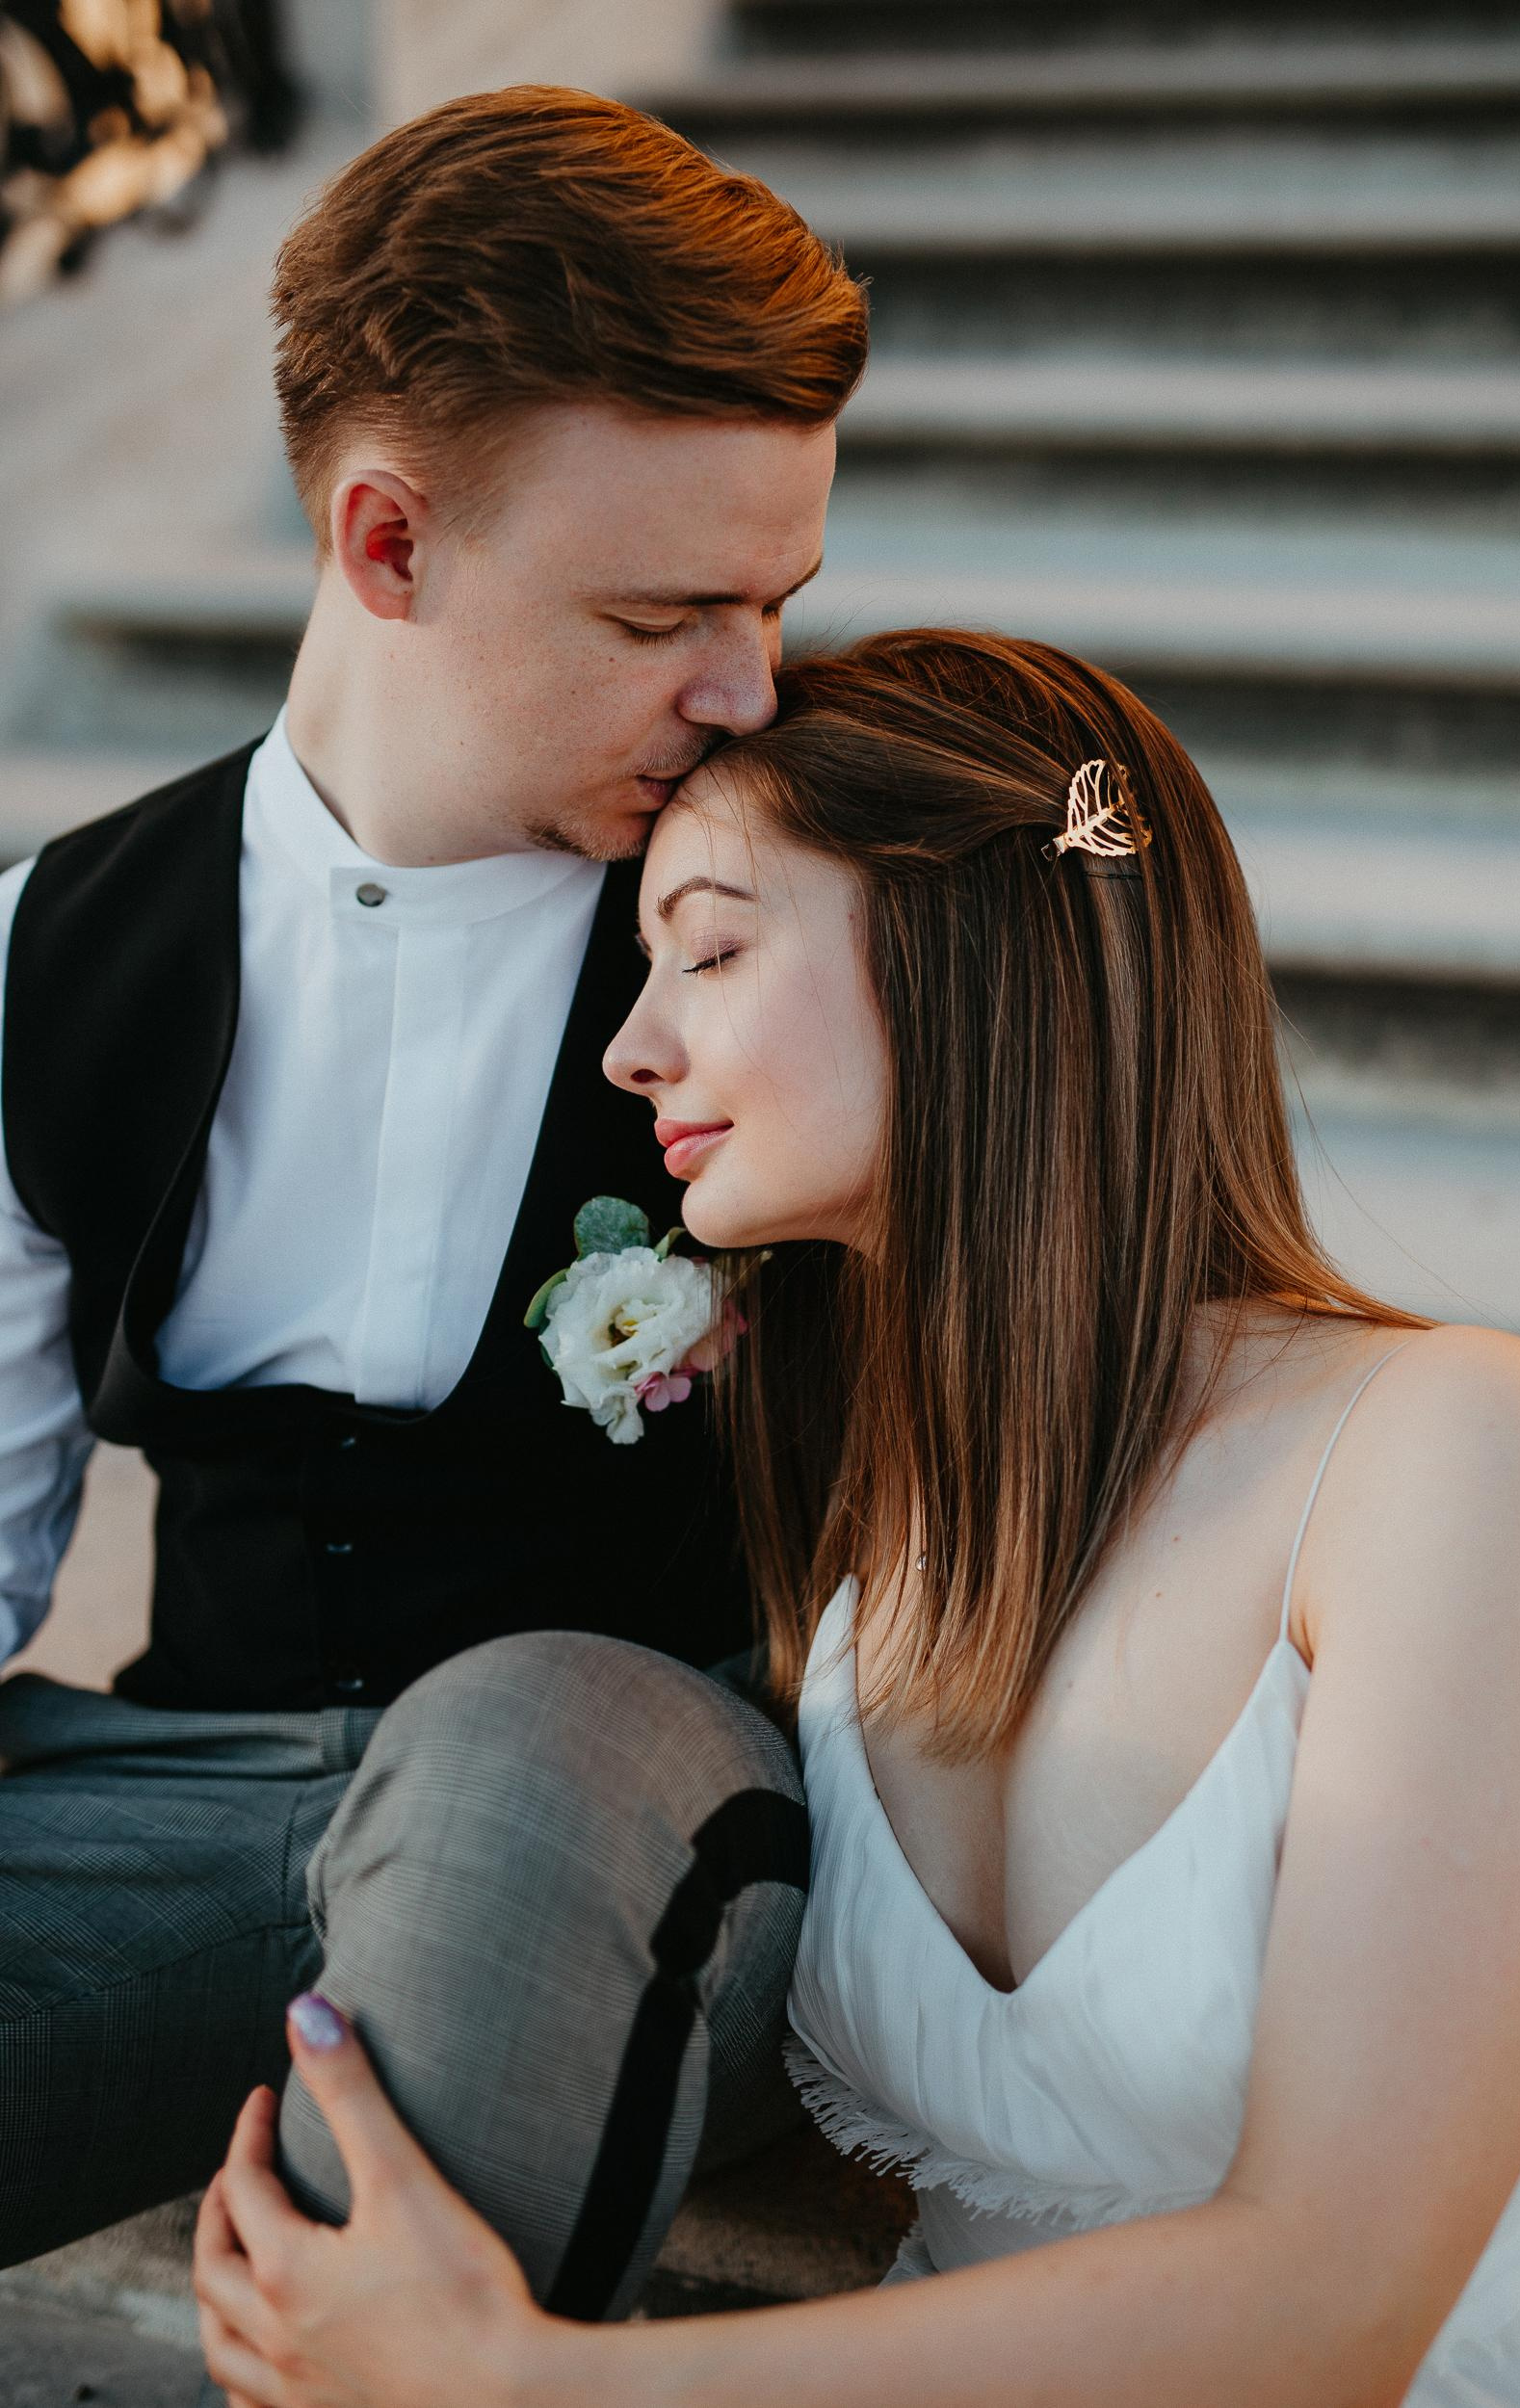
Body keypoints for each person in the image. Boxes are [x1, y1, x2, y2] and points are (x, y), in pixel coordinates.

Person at [196, 630, 1520, 2406]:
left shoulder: (1450, 1448)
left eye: (706, 944)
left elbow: (1334, 2303)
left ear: (976, 945)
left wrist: (526, 2385)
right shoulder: (868, 1545)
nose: (633, 1049)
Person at [0, 84, 867, 2314]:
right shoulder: (46, 953)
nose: (749, 687)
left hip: (614, 1776)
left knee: (523, 1754)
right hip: (166, 1780)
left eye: (778, 598)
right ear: (387, 544)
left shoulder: (850, 902)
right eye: (667, 608)